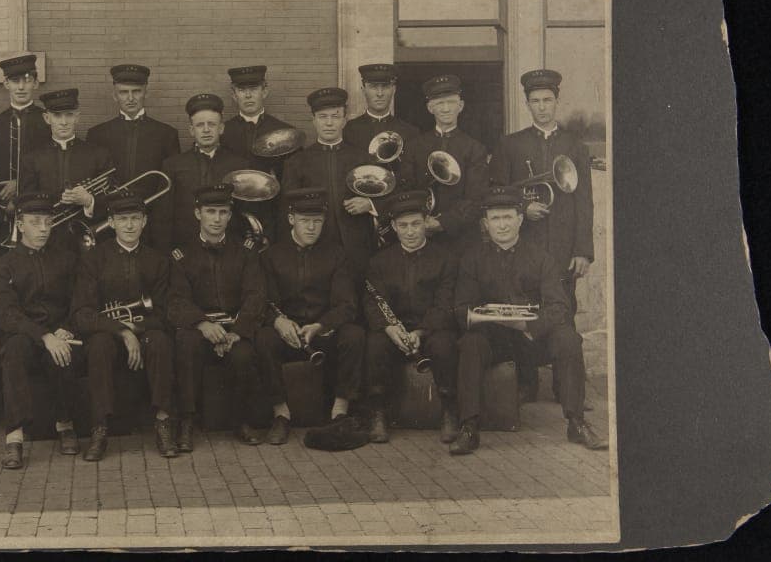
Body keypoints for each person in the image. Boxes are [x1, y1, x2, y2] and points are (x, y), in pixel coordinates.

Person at [449, 187, 607, 455]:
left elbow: (559, 307)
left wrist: (529, 325)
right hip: (494, 339)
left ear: (520, 219)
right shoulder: (472, 259)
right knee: (470, 344)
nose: (502, 225)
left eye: (508, 217)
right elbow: (462, 308)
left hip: (532, 340)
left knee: (568, 339)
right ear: (485, 224)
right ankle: (469, 427)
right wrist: (492, 318)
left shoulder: (542, 258)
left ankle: (576, 422)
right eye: (496, 219)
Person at [69, 189, 179, 461]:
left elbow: (166, 313)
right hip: (107, 332)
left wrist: (133, 331)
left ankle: (163, 422)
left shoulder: (158, 260)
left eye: (135, 218)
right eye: (123, 219)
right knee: (99, 346)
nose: (129, 225)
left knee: (161, 342)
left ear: (144, 222)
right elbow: (81, 313)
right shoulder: (94, 259)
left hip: (146, 330)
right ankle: (100, 428)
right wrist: (122, 331)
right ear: (112, 222)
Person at [0, 192, 94, 470]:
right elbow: (5, 313)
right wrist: (43, 336)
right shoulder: (4, 265)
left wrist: (66, 329)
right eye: (35, 223)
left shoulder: (68, 260)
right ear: (21, 225)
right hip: (25, 335)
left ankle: (65, 425)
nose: (43, 229)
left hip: (59, 332)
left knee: (62, 353)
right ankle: (14, 437)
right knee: (12, 351)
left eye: (48, 223)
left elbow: (80, 300)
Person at [255, 188, 365, 446]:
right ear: (291, 219)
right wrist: (278, 322)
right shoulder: (271, 256)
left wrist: (320, 325)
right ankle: (281, 414)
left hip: (322, 332)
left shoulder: (336, 254)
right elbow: (262, 300)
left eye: (318, 221)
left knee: (354, 335)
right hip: (287, 333)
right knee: (263, 339)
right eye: (305, 221)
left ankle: (339, 412)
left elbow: (346, 305)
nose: (312, 227)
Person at [488, 69, 594, 328]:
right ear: (526, 104)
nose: (542, 107)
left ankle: (565, 365)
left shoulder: (575, 145)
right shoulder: (510, 144)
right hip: (524, 241)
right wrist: (524, 206)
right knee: (525, 309)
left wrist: (583, 251)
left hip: (564, 244)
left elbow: (584, 201)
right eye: (535, 101)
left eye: (547, 100)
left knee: (564, 310)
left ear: (557, 102)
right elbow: (496, 191)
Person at [168, 184, 267, 449]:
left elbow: (255, 296)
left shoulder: (246, 252)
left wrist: (239, 331)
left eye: (222, 212)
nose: (216, 219)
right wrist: (202, 323)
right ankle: (187, 421)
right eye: (210, 212)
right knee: (186, 347)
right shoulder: (181, 256)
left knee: (244, 355)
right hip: (198, 328)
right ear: (198, 214)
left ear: (230, 215)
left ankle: (240, 421)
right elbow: (176, 301)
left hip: (235, 327)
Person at [362, 190, 460, 445]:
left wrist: (421, 332)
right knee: (374, 345)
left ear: (426, 222)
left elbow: (445, 303)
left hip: (432, 329)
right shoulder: (379, 261)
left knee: (445, 345)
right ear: (393, 226)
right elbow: (373, 302)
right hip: (395, 330)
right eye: (403, 225)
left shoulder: (446, 259)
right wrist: (389, 329)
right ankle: (378, 413)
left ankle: (450, 411)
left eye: (416, 224)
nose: (410, 231)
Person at [279, 87, 381, 280]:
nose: (329, 123)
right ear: (314, 120)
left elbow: (386, 195)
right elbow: (286, 209)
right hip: (315, 246)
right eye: (322, 117)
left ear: (344, 120)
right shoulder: (297, 162)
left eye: (335, 117)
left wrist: (369, 204)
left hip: (357, 247)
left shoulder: (362, 157)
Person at [85, 64, 181, 249]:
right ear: (115, 95)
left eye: (136, 91)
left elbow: (169, 186)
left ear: (146, 92)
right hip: (108, 222)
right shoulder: (97, 134)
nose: (130, 98)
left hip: (151, 224)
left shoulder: (166, 134)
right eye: (123, 92)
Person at [397, 74, 490, 256]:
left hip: (462, 241)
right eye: (439, 103)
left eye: (451, 102)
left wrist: (443, 222)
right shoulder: (415, 147)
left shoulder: (474, 148)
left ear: (460, 106)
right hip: (421, 238)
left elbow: (476, 198)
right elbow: (405, 188)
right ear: (430, 108)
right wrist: (420, 221)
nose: (446, 108)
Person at [19, 88, 115, 252]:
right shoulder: (32, 158)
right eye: (57, 115)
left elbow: (113, 198)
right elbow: (27, 201)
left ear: (77, 117)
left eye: (69, 114)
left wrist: (89, 201)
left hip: (90, 242)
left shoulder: (98, 154)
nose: (64, 122)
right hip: (48, 242)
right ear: (47, 118)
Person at [0, 54, 52, 261]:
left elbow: (53, 170)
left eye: (27, 80)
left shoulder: (48, 123)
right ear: (6, 84)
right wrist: (1, 210)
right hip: (4, 221)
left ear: (36, 83)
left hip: (40, 220)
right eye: (15, 81)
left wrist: (19, 186)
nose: (21, 87)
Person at [156, 93, 251, 251]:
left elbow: (246, 213)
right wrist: (166, 252)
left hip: (230, 251)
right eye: (200, 125)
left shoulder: (239, 165)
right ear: (191, 130)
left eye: (211, 124)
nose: (206, 130)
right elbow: (163, 216)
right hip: (184, 250)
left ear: (221, 128)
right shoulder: (172, 165)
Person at [220, 65, 292, 241]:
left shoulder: (284, 131)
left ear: (264, 91)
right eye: (241, 90)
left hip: (271, 214)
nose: (248, 95)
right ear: (233, 94)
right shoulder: (222, 132)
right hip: (231, 216)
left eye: (253, 89)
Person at [343, 63, 421, 167]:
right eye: (373, 87)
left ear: (394, 90)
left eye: (385, 86)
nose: (380, 93)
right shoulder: (349, 130)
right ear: (363, 90)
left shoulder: (410, 133)